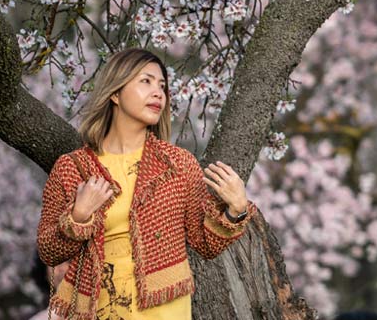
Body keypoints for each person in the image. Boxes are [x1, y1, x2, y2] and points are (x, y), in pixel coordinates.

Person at [36, 47, 255, 320]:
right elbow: (48, 250)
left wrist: (236, 210)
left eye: (162, 86)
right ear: (115, 93)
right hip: (98, 310)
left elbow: (205, 244)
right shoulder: (73, 168)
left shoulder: (178, 164)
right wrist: (79, 217)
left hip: (165, 311)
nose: (158, 93)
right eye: (146, 81)